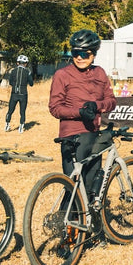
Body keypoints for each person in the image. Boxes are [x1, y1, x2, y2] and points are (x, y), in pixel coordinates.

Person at [48, 29, 117, 197]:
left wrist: (97, 105)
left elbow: (112, 101)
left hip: (94, 135)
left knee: (92, 187)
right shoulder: (62, 75)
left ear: (93, 54)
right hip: (72, 137)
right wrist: (79, 112)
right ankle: (64, 220)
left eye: (84, 54)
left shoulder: (99, 72)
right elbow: (54, 107)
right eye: (75, 53)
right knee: (73, 190)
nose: (79, 58)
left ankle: (91, 221)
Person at [4, 55, 35, 133]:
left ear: (17, 63)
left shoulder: (13, 71)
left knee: (10, 110)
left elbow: (10, 82)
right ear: (26, 63)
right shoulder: (27, 72)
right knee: (22, 111)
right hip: (23, 94)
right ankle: (21, 127)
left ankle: (7, 125)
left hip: (14, 93)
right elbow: (31, 84)